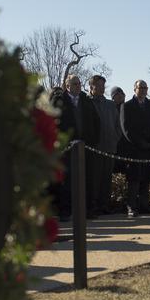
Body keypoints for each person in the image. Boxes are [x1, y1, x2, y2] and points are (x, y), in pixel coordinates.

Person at [51, 74, 100, 220]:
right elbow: (54, 123)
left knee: (87, 179)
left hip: (86, 147)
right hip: (67, 148)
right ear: (67, 86)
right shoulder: (60, 101)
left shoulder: (86, 100)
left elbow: (96, 122)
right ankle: (65, 211)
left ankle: (88, 210)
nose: (78, 86)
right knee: (67, 180)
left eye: (79, 84)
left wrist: (93, 141)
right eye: (74, 84)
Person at [119, 80, 150, 217]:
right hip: (135, 148)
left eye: (145, 87)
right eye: (140, 87)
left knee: (146, 179)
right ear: (135, 89)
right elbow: (126, 129)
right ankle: (131, 206)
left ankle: (144, 205)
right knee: (134, 180)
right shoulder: (127, 106)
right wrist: (140, 143)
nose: (143, 90)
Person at [87, 75, 119, 216]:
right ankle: (92, 206)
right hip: (94, 149)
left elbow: (118, 126)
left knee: (106, 179)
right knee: (94, 179)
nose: (101, 88)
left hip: (109, 147)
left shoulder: (110, 105)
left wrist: (114, 140)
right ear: (91, 86)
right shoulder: (86, 103)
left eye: (103, 86)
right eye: (98, 86)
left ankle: (104, 205)